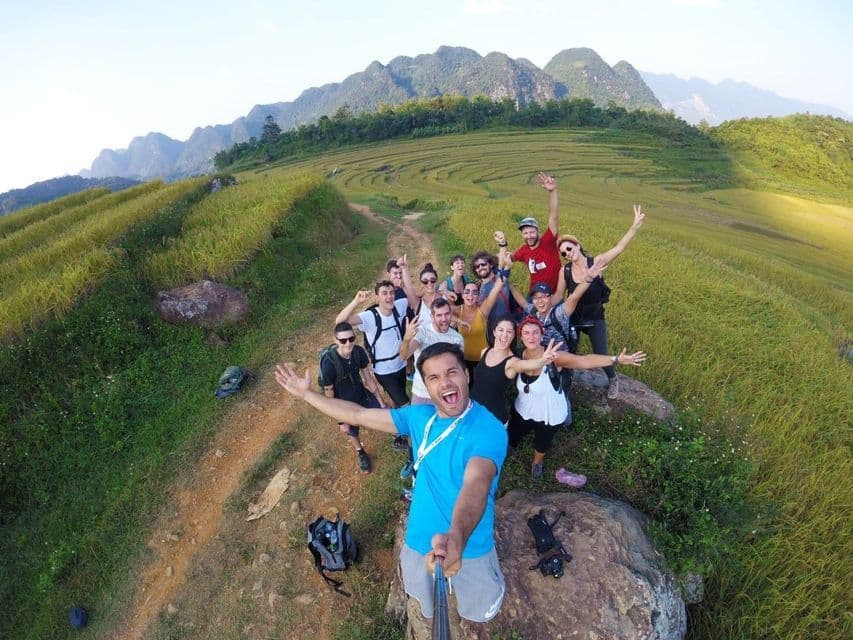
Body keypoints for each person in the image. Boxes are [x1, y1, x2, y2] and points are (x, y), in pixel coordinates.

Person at [274, 343, 507, 623]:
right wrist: (307, 395)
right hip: (418, 540)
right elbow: (357, 414)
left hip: (469, 545)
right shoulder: (420, 417)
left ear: (466, 375)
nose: (445, 382)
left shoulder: (488, 430)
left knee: (477, 614)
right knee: (427, 607)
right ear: (426, 386)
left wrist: (457, 537)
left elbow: (476, 486)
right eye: (433, 378)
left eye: (451, 372)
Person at [512, 315, 646, 480]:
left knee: (542, 441)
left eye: (535, 332)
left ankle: (537, 463)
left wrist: (615, 359)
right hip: (523, 408)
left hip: (549, 412)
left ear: (542, 334)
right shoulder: (518, 356)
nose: (531, 337)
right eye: (526, 333)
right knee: (512, 435)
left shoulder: (555, 357)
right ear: (521, 336)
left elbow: (584, 361)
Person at [553, 204, 646, 399]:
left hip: (595, 316)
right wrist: (542, 309)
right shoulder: (565, 271)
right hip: (575, 318)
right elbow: (557, 296)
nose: (567, 253)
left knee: (601, 351)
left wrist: (634, 227)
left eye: (569, 248)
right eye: (563, 253)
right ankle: (565, 386)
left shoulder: (597, 262)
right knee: (570, 352)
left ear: (577, 246)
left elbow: (619, 248)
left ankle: (612, 378)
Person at [509, 260, 606, 409]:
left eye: (544, 296)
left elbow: (574, 297)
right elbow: (521, 301)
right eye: (536, 297)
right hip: (541, 360)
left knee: (560, 394)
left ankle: (565, 417)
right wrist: (505, 282)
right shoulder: (533, 311)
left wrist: (588, 278)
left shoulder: (560, 313)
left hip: (561, 362)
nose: (540, 301)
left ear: (551, 298)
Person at [319, 322, 386, 473]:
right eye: (343, 340)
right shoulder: (328, 364)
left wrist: (381, 402)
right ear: (335, 340)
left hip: (360, 393)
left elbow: (368, 378)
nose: (348, 343)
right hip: (344, 403)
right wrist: (341, 421)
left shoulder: (358, 352)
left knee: (382, 414)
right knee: (352, 431)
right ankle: (360, 452)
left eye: (351, 339)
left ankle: (397, 436)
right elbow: (329, 395)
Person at [470, 316, 561, 425]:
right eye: (500, 330)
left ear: (513, 336)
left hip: (493, 419)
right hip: (472, 410)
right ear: (494, 332)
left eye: (509, 331)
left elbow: (527, 364)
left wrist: (542, 360)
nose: (504, 335)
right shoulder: (484, 352)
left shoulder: (512, 362)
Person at [335, 280, 410, 408]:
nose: (389, 296)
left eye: (392, 292)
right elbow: (339, 321)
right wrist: (356, 302)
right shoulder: (369, 317)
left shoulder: (400, 305)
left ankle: (396, 418)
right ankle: (404, 423)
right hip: (384, 371)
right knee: (406, 405)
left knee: (399, 398)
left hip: (401, 365)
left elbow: (417, 298)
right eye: (384, 293)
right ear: (377, 297)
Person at [493, 172, 562, 293]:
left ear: (538, 232)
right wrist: (501, 245)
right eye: (526, 233)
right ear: (522, 235)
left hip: (555, 296)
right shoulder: (524, 251)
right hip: (535, 297)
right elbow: (507, 258)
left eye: (532, 232)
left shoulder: (548, 241)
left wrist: (552, 191)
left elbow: (554, 217)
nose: (529, 236)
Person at [401, 298, 465, 405]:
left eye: (447, 314)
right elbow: (404, 356)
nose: (444, 319)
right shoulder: (422, 332)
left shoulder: (457, 338)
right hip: (422, 393)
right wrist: (407, 339)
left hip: (446, 393)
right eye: (439, 315)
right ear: (432, 317)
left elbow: (459, 369)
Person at [453, 273, 507, 384]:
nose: (470, 295)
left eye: (474, 292)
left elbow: (496, 290)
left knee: (483, 384)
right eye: (467, 292)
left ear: (478, 297)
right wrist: (458, 321)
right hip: (464, 358)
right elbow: (436, 309)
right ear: (462, 295)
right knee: (468, 384)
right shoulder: (458, 311)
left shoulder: (483, 310)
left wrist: (504, 270)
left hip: (483, 357)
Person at [471, 250, 514, 324]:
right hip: (493, 329)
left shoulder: (498, 276)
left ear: (490, 264)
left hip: (508, 322)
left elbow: (502, 263)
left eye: (483, 264)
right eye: (477, 266)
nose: (480, 267)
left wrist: (502, 243)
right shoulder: (481, 289)